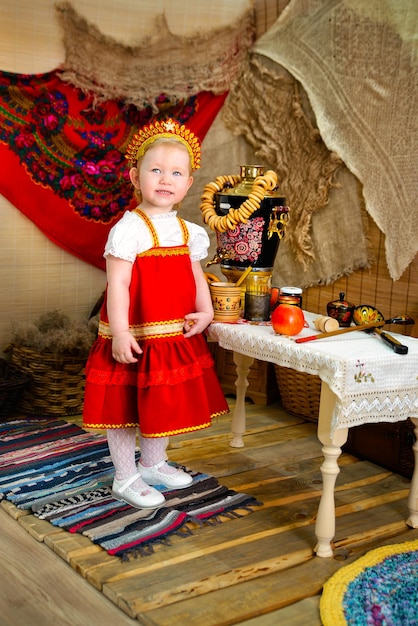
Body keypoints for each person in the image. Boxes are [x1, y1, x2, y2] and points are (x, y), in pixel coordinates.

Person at [83, 118, 229, 509]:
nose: (165, 179)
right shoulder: (129, 229)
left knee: (164, 398)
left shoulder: (188, 231)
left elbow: (196, 273)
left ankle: (152, 462)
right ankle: (125, 476)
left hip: (173, 333)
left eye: (176, 173)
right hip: (136, 332)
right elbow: (117, 284)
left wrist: (206, 310)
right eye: (156, 170)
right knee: (126, 405)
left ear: (188, 182)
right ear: (135, 176)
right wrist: (120, 332)